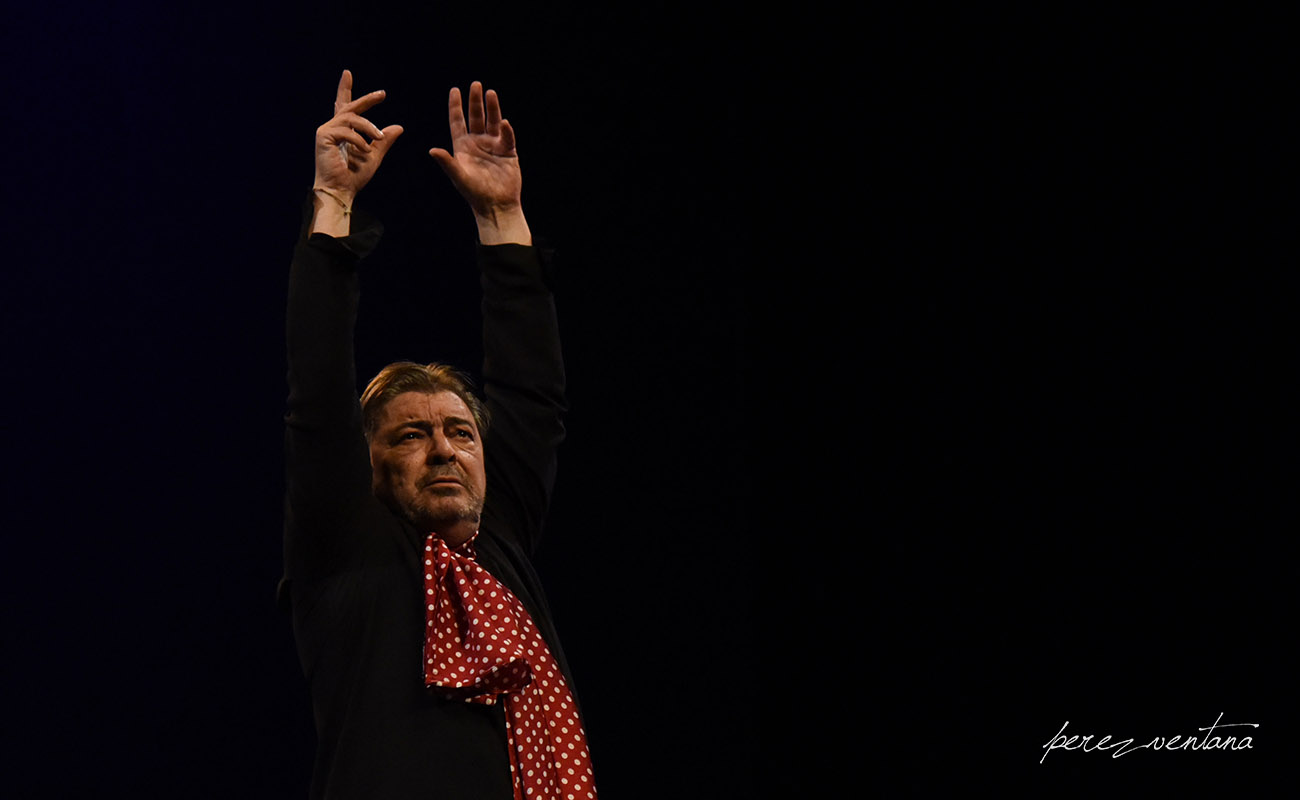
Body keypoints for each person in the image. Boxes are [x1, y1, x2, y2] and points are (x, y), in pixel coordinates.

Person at [281, 69, 596, 800]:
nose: (446, 449)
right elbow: (318, 390)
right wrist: (334, 204)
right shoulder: (347, 548)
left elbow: (533, 395)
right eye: (412, 437)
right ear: (370, 465)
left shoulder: (498, 546)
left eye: (459, 432)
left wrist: (501, 219)